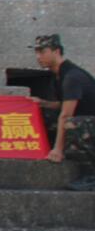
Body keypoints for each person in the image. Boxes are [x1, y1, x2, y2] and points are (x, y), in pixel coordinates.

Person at [32, 35, 95, 191]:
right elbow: (65, 104)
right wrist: (42, 103)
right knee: (46, 115)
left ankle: (91, 174)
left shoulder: (71, 77)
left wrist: (58, 149)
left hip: (88, 124)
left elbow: (66, 114)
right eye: (36, 52)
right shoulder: (60, 74)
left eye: (42, 52)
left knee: (72, 124)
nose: (38, 57)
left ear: (56, 51)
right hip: (88, 121)